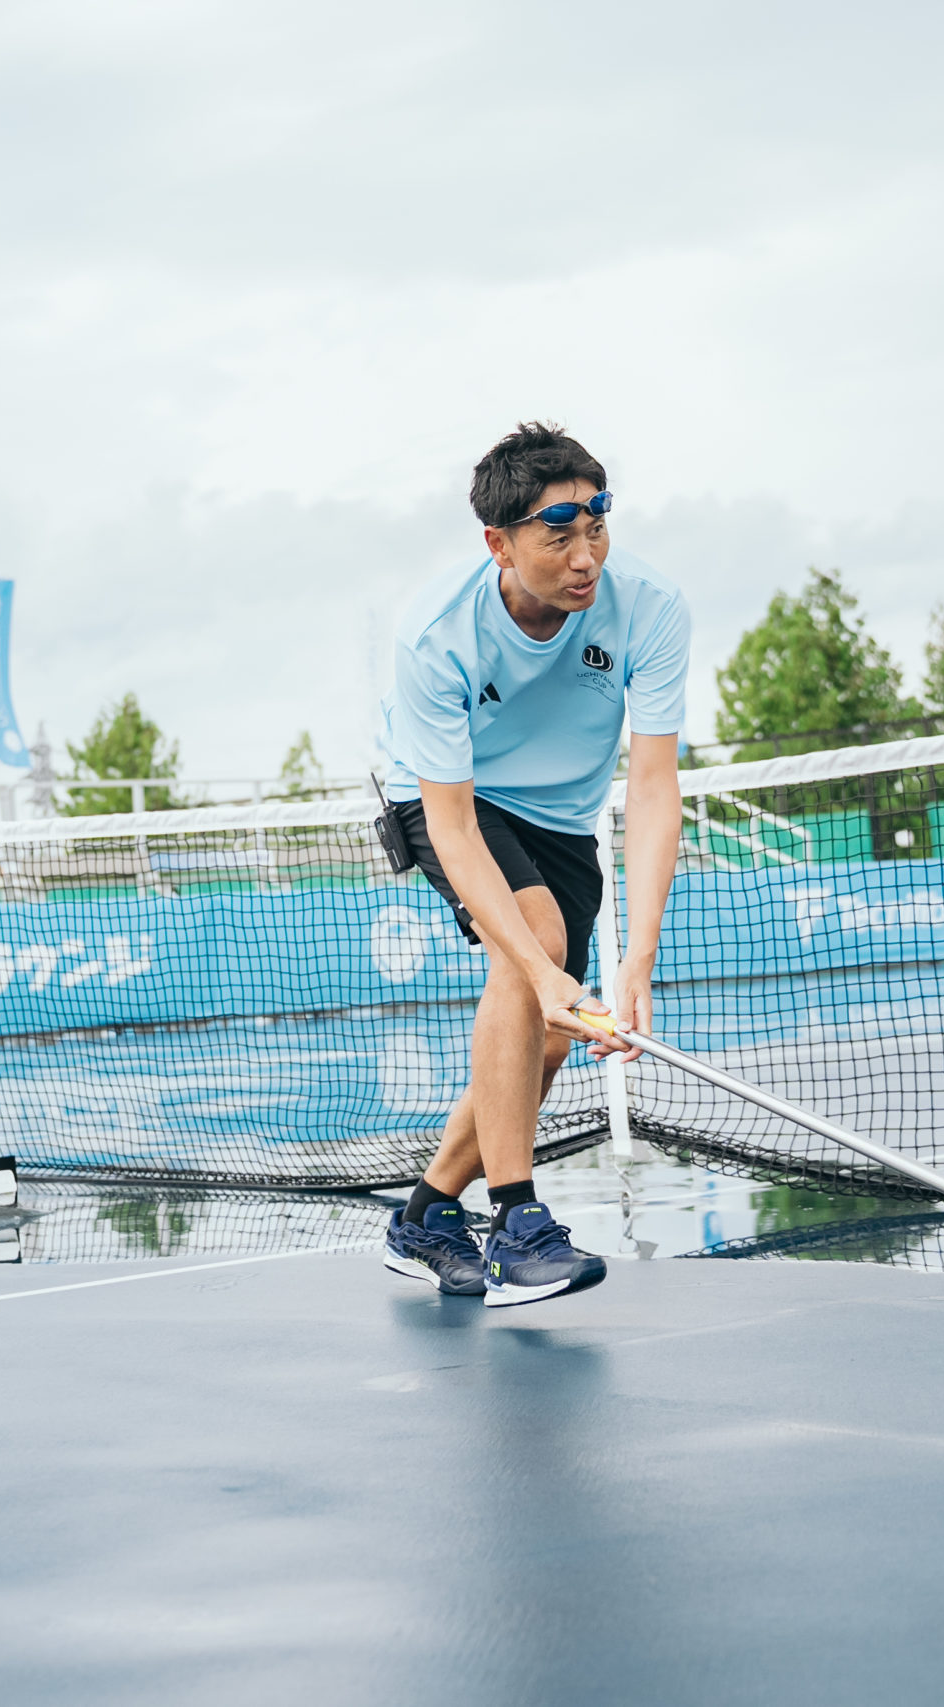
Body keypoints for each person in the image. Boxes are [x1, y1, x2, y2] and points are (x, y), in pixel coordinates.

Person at [375, 423, 689, 1306]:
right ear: (500, 544)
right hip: (451, 797)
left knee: (546, 1034)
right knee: (535, 947)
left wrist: (639, 956)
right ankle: (515, 1223)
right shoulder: (437, 633)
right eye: (559, 536)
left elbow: (653, 786)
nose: (586, 556)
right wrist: (537, 964)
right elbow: (451, 823)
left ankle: (427, 1213)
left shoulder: (652, 607)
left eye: (598, 528)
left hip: (563, 819)